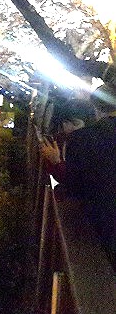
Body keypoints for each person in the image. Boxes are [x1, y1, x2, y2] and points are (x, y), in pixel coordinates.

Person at [44, 85, 116, 265]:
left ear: (96, 109)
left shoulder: (84, 138)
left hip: (102, 223)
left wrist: (57, 164)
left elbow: (75, 185)